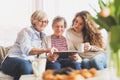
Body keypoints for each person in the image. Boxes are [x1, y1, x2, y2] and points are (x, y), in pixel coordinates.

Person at [1, 10, 54, 80]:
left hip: (29, 62)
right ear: (34, 21)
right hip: (12, 59)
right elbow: (28, 51)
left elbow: (41, 56)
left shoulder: (44, 36)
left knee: (53, 66)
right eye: (41, 21)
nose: (44, 24)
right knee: (26, 67)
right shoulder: (26, 31)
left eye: (46, 21)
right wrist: (46, 50)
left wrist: (49, 57)